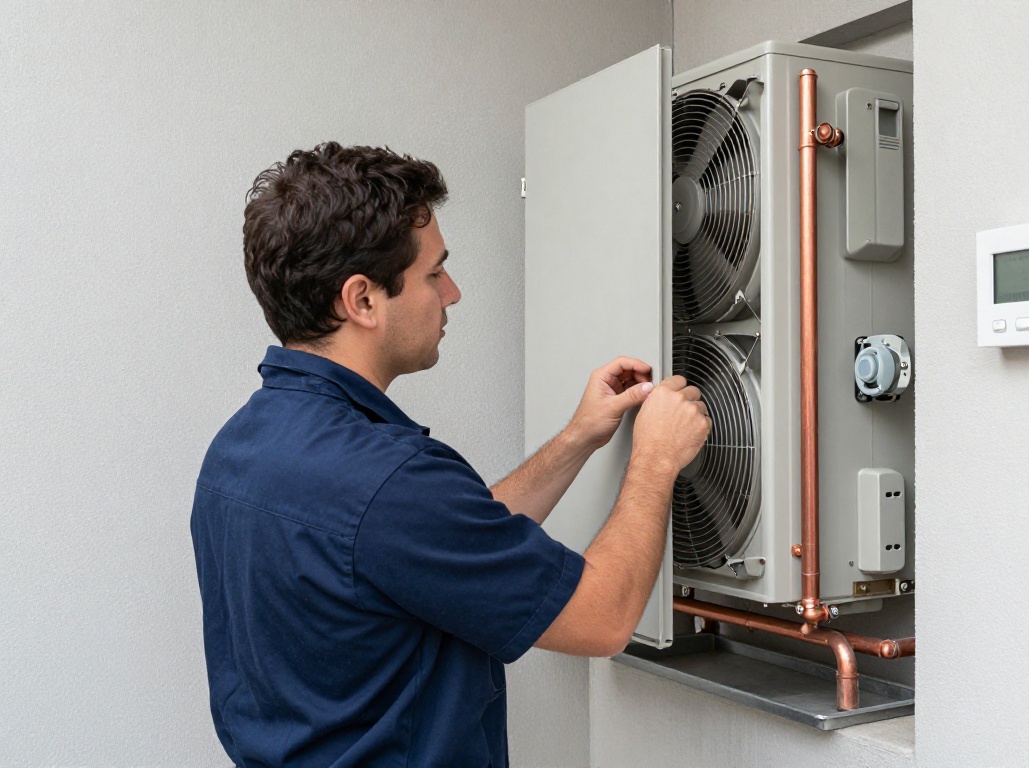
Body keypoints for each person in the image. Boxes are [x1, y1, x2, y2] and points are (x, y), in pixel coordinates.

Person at [191, 142, 710, 767]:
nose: (454, 292)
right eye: (435, 273)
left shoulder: (239, 449)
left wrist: (578, 438)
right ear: (361, 301)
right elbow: (602, 620)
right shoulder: (389, 481)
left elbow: (436, 545)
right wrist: (654, 462)